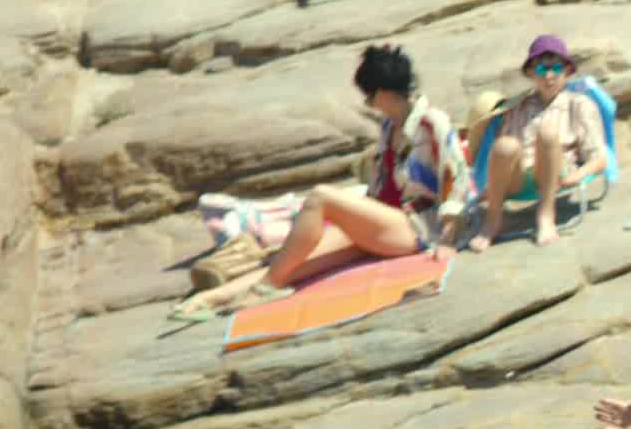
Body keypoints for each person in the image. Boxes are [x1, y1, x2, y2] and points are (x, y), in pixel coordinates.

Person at [173, 44, 469, 319]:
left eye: (369, 96)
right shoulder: (389, 128)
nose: (369, 103)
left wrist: (446, 239)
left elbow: (455, 177)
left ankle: (268, 288)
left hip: (416, 226)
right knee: (295, 259)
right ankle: (210, 299)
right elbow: (379, 189)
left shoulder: (432, 123)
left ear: (382, 92)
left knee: (320, 197)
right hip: (384, 223)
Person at [469, 34, 609, 251]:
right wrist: (488, 188)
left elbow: (600, 158)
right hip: (520, 176)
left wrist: (577, 176)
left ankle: (546, 214)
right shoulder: (518, 107)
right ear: (531, 73)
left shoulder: (579, 104)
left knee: (547, 133)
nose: (549, 76)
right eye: (542, 69)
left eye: (556, 68)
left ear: (567, 71)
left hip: (557, 172)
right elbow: (502, 156)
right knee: (505, 145)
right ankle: (493, 220)